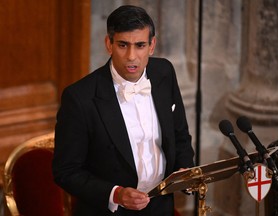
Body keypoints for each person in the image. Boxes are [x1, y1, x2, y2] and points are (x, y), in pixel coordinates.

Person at [52, 5, 195, 216]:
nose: (131, 56)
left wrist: (184, 169)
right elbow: (66, 172)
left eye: (140, 45)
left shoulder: (164, 72)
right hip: (109, 211)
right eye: (122, 45)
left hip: (161, 207)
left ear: (152, 45)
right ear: (109, 44)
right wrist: (116, 194)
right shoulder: (79, 97)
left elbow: (179, 134)